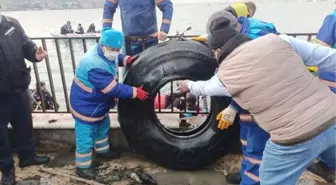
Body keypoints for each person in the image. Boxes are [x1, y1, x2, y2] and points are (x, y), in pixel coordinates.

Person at [178, 17, 336, 185]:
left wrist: (187, 84)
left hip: (294, 138)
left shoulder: (226, 75)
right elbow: (328, 58)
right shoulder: (279, 40)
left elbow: (205, 88)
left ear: (218, 51)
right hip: (332, 119)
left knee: (270, 179)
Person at [205, 10, 277, 185]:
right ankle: (247, 172)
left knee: (255, 145)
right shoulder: (244, 30)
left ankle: (251, 181)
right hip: (251, 102)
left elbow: (252, 80)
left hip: (261, 104)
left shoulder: (255, 40)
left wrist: (233, 107)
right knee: (248, 141)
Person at [69, 27, 149, 180]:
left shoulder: (105, 52)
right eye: (112, 49)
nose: (115, 51)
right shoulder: (93, 64)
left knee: (102, 127)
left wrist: (127, 60)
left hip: (97, 105)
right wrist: (135, 92)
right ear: (103, 45)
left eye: (118, 49)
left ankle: (102, 151)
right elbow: (112, 88)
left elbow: (115, 58)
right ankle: (83, 167)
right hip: (86, 107)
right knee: (85, 137)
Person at [0, 14, 50, 185]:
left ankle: (28, 156)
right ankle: (7, 170)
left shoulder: (12, 23)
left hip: (19, 86)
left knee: (24, 124)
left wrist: (36, 53)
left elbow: (26, 45)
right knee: (1, 135)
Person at [102, 0, 173, 55]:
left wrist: (164, 30)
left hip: (150, 42)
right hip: (128, 44)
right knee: (127, 73)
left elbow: (167, 6)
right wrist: (106, 33)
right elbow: (108, 8)